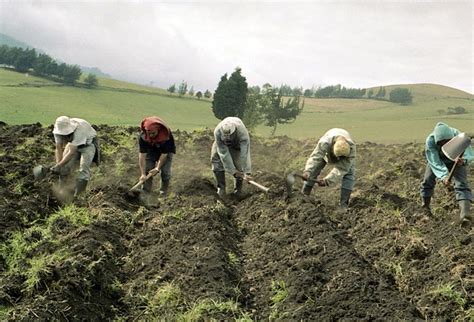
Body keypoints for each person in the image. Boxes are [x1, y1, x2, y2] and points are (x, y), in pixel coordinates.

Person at [420, 122, 473, 223]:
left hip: (456, 159)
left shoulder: (458, 136)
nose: (444, 145)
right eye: (441, 143)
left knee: (461, 184)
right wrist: (444, 177)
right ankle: (425, 208)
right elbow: (435, 162)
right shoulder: (430, 141)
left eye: (447, 142)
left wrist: (463, 161)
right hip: (439, 159)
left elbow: (468, 153)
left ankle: (465, 214)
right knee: (427, 180)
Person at [301, 128, 356, 208]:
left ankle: (344, 204)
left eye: (341, 159)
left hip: (342, 153)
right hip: (327, 151)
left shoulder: (351, 148)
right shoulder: (325, 143)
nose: (338, 161)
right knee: (315, 168)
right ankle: (305, 193)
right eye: (338, 158)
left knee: (349, 174)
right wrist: (307, 171)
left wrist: (327, 181)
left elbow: (342, 168)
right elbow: (315, 157)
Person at [51, 116, 99, 196]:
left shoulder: (80, 129)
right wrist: (59, 165)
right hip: (72, 144)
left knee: (83, 168)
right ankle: (62, 190)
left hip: (88, 145)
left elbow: (72, 152)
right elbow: (58, 148)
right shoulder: (57, 132)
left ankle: (79, 195)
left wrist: (59, 165)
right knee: (64, 167)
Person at [211, 117, 252, 197]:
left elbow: (245, 153)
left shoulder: (242, 133)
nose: (228, 138)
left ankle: (238, 190)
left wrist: (247, 172)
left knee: (239, 165)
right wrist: (233, 171)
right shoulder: (218, 132)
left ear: (234, 131)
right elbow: (224, 153)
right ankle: (221, 188)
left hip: (237, 145)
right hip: (221, 144)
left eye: (229, 136)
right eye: (226, 136)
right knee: (216, 160)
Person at [138, 116, 175, 195]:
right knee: (147, 170)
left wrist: (157, 168)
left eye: (153, 133)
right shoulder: (143, 137)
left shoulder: (166, 135)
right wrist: (143, 174)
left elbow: (164, 154)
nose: (151, 135)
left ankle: (163, 191)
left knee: (165, 172)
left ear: (158, 130)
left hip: (165, 151)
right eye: (149, 133)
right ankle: (145, 192)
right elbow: (142, 155)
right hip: (151, 151)